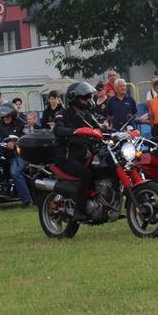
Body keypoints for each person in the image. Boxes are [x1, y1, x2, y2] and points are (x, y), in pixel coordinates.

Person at [53, 82, 102, 223]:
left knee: (102, 169)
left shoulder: (87, 115)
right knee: (86, 174)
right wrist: (75, 131)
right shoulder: (62, 114)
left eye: (89, 97)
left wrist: (122, 133)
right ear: (75, 99)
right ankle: (79, 211)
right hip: (66, 158)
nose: (88, 100)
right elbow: (58, 129)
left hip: (83, 156)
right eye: (85, 97)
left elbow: (99, 128)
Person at [0, 103, 33, 207]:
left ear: (13, 115)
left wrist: (16, 143)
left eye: (8, 116)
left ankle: (27, 200)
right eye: (3, 117)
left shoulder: (22, 124)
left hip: (20, 154)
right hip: (4, 154)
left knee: (15, 172)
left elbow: (27, 137)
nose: (6, 118)